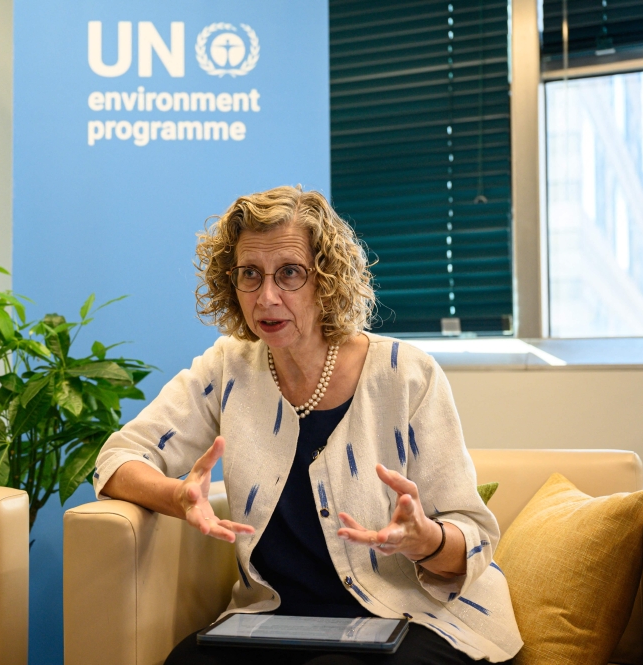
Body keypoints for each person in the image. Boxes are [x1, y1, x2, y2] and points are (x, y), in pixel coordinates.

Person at [94, 186, 522, 664]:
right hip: (280, 621)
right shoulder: (227, 367)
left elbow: (473, 533)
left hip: (417, 617)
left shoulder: (407, 374)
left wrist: (426, 540)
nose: (267, 296)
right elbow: (116, 459)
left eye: (290, 273)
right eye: (250, 275)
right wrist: (176, 496)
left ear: (328, 279)